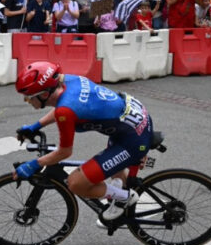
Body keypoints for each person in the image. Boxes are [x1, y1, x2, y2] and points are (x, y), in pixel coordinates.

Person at [13, 61, 154, 221]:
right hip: (132, 119)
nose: (27, 101)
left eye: (28, 98)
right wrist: (36, 126)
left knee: (76, 183)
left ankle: (126, 197)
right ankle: (121, 202)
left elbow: (64, 151)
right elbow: (64, 106)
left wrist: (34, 164)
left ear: (45, 94)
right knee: (113, 173)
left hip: (132, 138)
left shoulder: (64, 111)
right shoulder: (66, 81)